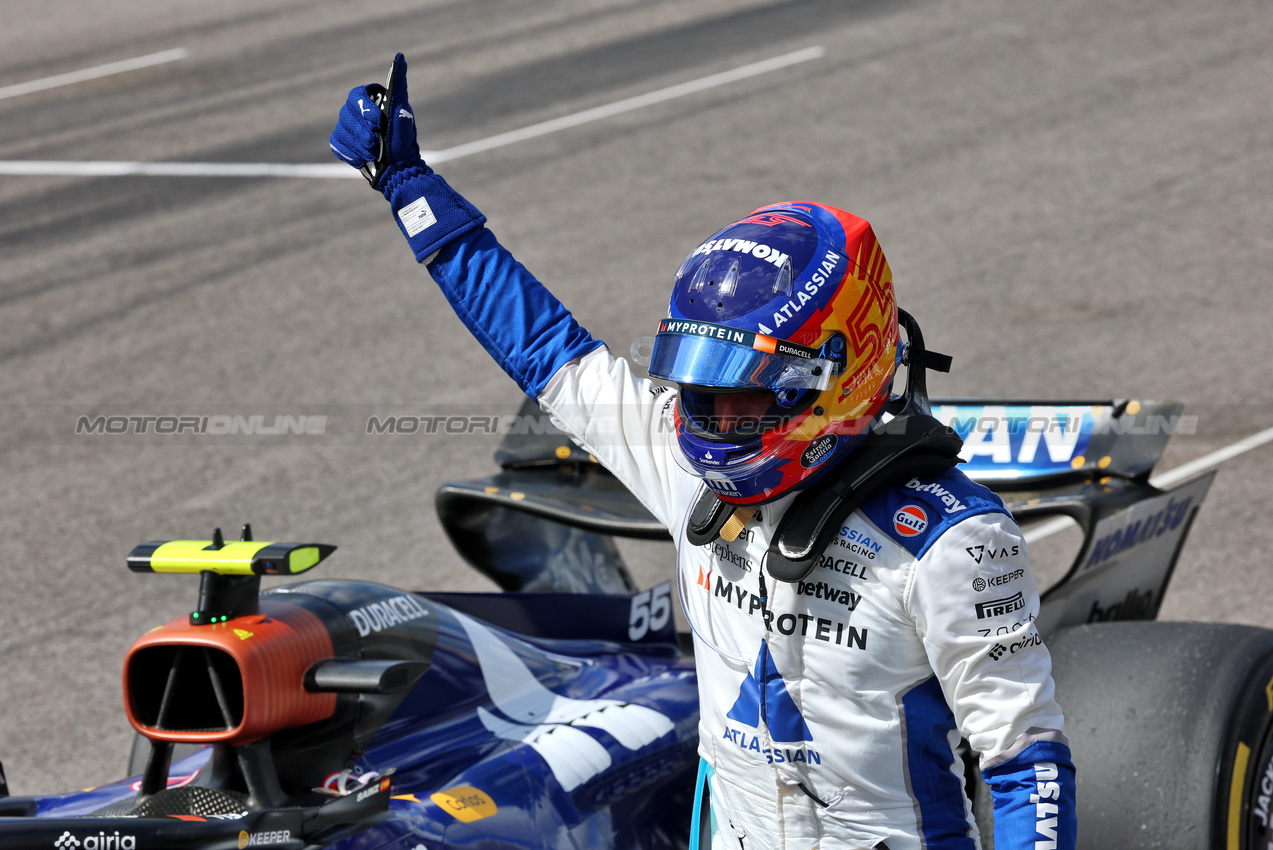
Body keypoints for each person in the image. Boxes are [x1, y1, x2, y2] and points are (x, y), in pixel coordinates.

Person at [331, 54, 1077, 850]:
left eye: (750, 393)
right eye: (701, 389)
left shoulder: (953, 543)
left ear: (836, 375)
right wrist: (409, 188)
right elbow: (542, 345)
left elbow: (1026, 763)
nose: (718, 420)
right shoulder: (684, 468)